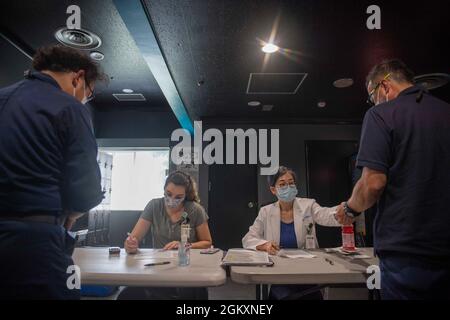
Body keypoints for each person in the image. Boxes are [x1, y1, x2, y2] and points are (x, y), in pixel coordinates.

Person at [335, 59, 450, 299]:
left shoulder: (381, 114)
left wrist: (350, 209)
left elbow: (372, 183)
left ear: (385, 87)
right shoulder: (444, 111)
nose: (373, 102)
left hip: (408, 255)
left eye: (372, 96)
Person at [0, 44, 105, 299]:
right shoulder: (70, 108)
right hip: (35, 244)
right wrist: (71, 215)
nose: (83, 99)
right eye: (87, 94)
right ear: (77, 78)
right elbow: (87, 192)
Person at [242, 166, 342, 299]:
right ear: (273, 190)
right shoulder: (266, 212)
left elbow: (326, 215)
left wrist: (344, 211)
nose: (288, 187)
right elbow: (248, 238)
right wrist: (264, 245)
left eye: (291, 183)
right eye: (282, 184)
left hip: (307, 269)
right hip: (280, 271)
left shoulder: (308, 205)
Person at [119, 171, 212, 299]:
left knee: (192, 293)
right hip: (159, 267)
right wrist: (130, 244)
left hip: (187, 267)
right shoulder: (154, 206)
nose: (172, 200)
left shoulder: (195, 210)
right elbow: (134, 238)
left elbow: (207, 242)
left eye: (178, 197)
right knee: (128, 295)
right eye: (168, 194)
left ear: (186, 196)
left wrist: (183, 245)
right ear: (164, 190)